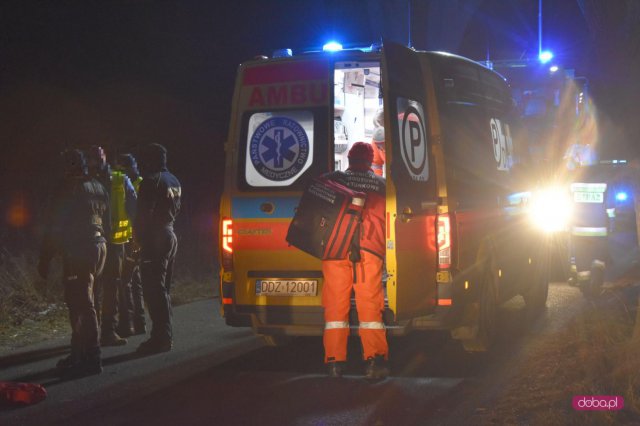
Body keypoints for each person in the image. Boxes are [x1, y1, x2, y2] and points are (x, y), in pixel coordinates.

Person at [321, 141, 389, 379]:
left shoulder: (333, 179)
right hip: (368, 250)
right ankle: (373, 363)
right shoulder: (383, 185)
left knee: (335, 306)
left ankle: (334, 363)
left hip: (334, 249)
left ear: (349, 159)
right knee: (369, 305)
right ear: (371, 161)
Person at [38, 149, 109, 377]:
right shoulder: (98, 186)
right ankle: (79, 353)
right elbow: (107, 219)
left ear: (69, 166)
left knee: (81, 305)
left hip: (80, 251)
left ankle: (91, 357)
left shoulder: (68, 188)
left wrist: (45, 259)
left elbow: (54, 226)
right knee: (86, 302)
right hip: (99, 248)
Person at [86, 145, 137, 346]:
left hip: (115, 242)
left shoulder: (119, 179)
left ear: (105, 156)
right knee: (92, 288)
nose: (96, 160)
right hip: (93, 242)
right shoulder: (85, 181)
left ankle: (108, 330)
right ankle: (93, 331)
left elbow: (134, 207)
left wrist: (135, 237)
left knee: (111, 287)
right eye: (93, 157)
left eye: (99, 156)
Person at [134, 143, 181, 354]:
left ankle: (160, 338)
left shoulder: (150, 182)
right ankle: (164, 335)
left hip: (156, 238)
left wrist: (139, 241)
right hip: (170, 234)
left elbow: (144, 215)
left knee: (154, 290)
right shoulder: (174, 180)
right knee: (162, 290)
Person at [114, 153, 146, 336]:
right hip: (131, 239)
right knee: (134, 281)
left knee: (126, 281)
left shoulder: (138, 185)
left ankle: (129, 325)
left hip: (133, 239)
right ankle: (139, 323)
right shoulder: (136, 183)